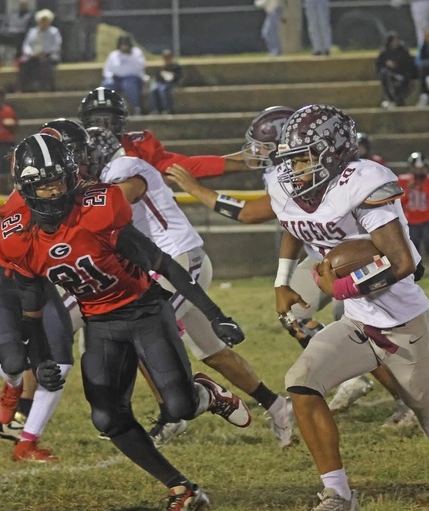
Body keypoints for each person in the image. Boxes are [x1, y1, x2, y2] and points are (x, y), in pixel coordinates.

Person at [183, 104, 429, 511]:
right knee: (301, 382)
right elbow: (291, 221)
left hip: (404, 325)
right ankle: (338, 497)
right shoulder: (293, 188)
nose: (294, 169)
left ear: (333, 151)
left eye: (303, 157)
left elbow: (403, 260)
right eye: (292, 159)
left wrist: (338, 286)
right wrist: (283, 280)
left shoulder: (365, 183)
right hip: (358, 322)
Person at [0, 132, 253, 511]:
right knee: (107, 418)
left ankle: (206, 393)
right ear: (25, 190)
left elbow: (162, 263)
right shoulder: (18, 238)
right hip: (100, 323)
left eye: (58, 182)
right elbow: (31, 314)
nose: (52, 194)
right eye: (42, 186)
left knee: (180, 406)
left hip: (146, 310)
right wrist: (40, 359)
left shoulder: (99, 207)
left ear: (72, 177)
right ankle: (182, 489)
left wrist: (215, 313)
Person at [167, 106, 415, 428]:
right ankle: (351, 371)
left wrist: (196, 190)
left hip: (364, 257)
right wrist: (281, 280)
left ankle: (403, 397)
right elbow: (291, 224)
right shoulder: (287, 174)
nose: (255, 154)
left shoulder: (334, 171)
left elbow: (249, 213)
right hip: (323, 258)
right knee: (295, 316)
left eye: (262, 147)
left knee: (360, 326)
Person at [88, 125, 294, 448]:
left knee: (140, 332)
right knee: (213, 353)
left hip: (181, 260)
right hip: (167, 266)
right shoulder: (115, 169)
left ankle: (185, 405)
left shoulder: (122, 169)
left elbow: (110, 210)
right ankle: (278, 406)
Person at [0, 122, 85, 461]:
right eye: (46, 183)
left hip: (40, 277)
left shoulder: (77, 188)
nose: (54, 190)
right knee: (15, 361)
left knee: (61, 362)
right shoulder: (17, 218)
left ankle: (27, 441)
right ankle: (11, 386)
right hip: (10, 277)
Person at [79, 86, 248, 179]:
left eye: (109, 120)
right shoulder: (73, 150)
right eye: (96, 121)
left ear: (121, 122)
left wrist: (246, 161)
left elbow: (186, 166)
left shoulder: (139, 145)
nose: (103, 127)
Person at [397, 152, 429, 285]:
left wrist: (425, 188)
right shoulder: (403, 180)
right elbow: (399, 203)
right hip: (410, 221)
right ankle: (412, 279)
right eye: (416, 168)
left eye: (421, 169)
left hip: (427, 219)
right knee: (411, 252)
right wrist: (407, 190)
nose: (419, 171)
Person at [101, 35, 146, 115]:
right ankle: (108, 108)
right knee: (107, 84)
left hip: (132, 78)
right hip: (116, 79)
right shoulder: (113, 55)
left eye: (126, 44)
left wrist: (129, 56)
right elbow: (107, 69)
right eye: (122, 44)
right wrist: (111, 75)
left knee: (129, 85)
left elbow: (139, 66)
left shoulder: (136, 53)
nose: (124, 46)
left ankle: (136, 107)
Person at [19, 9, 61, 93]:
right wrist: (30, 53)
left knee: (44, 63)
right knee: (23, 63)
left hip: (48, 55)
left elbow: (56, 45)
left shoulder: (54, 32)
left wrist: (43, 52)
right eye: (42, 20)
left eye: (46, 20)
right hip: (33, 55)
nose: (44, 22)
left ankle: (45, 87)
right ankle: (23, 87)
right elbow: (26, 45)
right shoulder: (32, 31)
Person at [375, 31, 416, 108]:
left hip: (402, 74)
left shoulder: (403, 51)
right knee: (385, 74)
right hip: (389, 74)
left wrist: (398, 65)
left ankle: (399, 99)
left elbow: (409, 64)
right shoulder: (384, 52)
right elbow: (379, 66)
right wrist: (386, 64)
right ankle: (391, 98)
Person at [0, 0, 34, 68]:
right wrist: (8, 31)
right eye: (21, 4)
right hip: (8, 35)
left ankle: (18, 59)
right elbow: (3, 26)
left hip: (21, 37)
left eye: (24, 5)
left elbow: (29, 30)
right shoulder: (12, 15)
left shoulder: (30, 16)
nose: (22, 6)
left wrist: (16, 30)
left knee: (19, 34)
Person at [149, 49, 181, 115]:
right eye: (165, 57)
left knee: (163, 90)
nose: (166, 59)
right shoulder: (161, 67)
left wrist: (171, 76)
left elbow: (178, 77)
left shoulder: (176, 66)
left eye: (168, 57)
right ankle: (156, 109)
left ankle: (167, 109)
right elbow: (157, 78)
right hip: (162, 83)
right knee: (154, 89)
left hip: (172, 83)